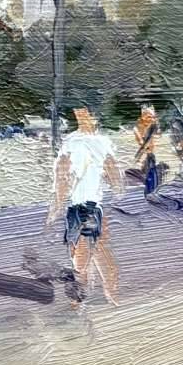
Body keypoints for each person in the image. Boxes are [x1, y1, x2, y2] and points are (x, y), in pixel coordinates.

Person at [51, 106, 125, 305]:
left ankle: (82, 297)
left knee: (83, 255)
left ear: (94, 117)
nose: (80, 117)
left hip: (90, 206)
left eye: (84, 114)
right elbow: (61, 174)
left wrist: (115, 185)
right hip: (75, 207)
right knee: (87, 251)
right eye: (78, 114)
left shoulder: (101, 142)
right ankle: (105, 292)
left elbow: (114, 175)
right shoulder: (71, 141)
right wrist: (57, 204)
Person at [129, 104, 163, 195]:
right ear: (142, 116)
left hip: (150, 155)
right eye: (148, 117)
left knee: (152, 176)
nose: (151, 119)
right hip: (142, 156)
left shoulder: (153, 127)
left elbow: (158, 137)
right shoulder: (137, 128)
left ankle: (151, 192)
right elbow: (142, 143)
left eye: (153, 117)